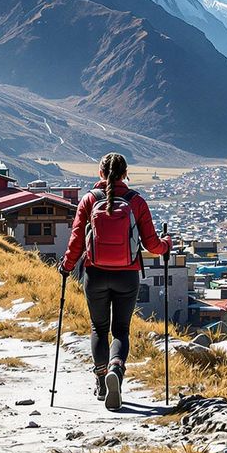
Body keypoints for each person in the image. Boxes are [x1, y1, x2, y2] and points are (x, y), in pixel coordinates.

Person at [60, 152, 170, 412]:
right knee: (120, 330)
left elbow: (76, 241)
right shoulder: (136, 202)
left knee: (99, 328)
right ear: (125, 174)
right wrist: (167, 245)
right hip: (127, 275)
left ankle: (100, 380)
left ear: (100, 173)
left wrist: (65, 266)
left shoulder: (89, 200)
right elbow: (153, 245)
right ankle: (116, 372)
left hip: (95, 273)